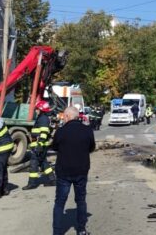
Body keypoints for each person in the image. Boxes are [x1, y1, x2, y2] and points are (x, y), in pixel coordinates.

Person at [52, 106, 95, 235]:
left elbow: (54, 147)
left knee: (60, 202)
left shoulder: (61, 131)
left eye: (64, 117)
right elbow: (91, 147)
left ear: (68, 117)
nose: (63, 119)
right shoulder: (87, 130)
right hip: (81, 170)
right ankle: (81, 230)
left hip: (64, 171)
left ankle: (57, 232)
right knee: (81, 200)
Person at [23, 100, 56, 190]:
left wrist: (39, 145)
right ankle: (53, 180)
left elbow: (44, 132)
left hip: (39, 145)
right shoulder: (41, 117)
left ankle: (32, 183)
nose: (36, 110)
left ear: (41, 109)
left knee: (34, 164)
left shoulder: (43, 118)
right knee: (43, 163)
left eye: (37, 109)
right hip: (39, 145)